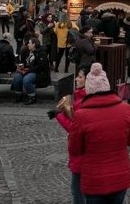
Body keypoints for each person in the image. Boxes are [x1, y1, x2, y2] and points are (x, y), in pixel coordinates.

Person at [68, 63, 130, 204]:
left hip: (94, 179)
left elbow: (74, 149)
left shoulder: (82, 115)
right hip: (120, 175)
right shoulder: (125, 108)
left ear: (89, 88)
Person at [53, 66, 88, 204]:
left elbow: (75, 129)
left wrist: (59, 116)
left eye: (80, 77)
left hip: (81, 153)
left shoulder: (83, 100)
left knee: (77, 190)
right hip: (85, 152)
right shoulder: (81, 96)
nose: (76, 79)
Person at [12, 37, 50, 105]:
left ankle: (32, 97)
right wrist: (22, 66)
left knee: (27, 79)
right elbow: (24, 62)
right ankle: (19, 95)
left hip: (39, 73)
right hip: (28, 70)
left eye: (29, 43)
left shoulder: (41, 53)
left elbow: (41, 67)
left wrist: (28, 70)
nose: (28, 44)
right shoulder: (27, 51)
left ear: (34, 44)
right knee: (17, 78)